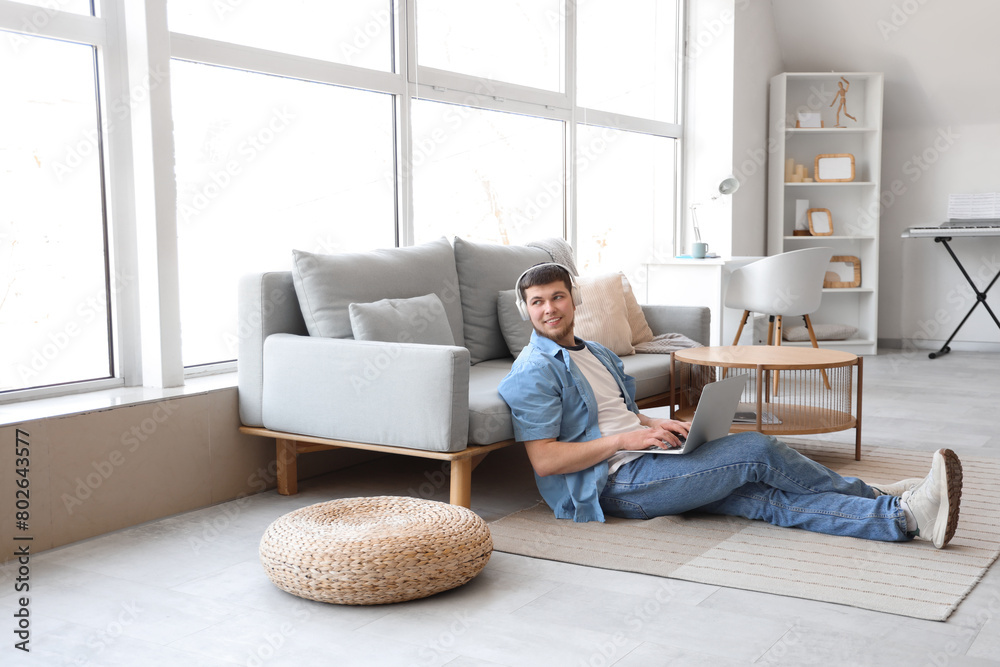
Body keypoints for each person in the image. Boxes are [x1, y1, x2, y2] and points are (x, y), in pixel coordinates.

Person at [498, 263, 964, 548]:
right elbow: (544, 460)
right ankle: (879, 495)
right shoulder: (533, 370)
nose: (549, 309)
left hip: (645, 455)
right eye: (537, 303)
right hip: (611, 485)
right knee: (756, 452)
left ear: (573, 299)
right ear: (527, 311)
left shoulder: (595, 351)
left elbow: (613, 411)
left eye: (557, 297)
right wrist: (628, 438)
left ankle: (903, 518)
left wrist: (651, 423)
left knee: (763, 499)